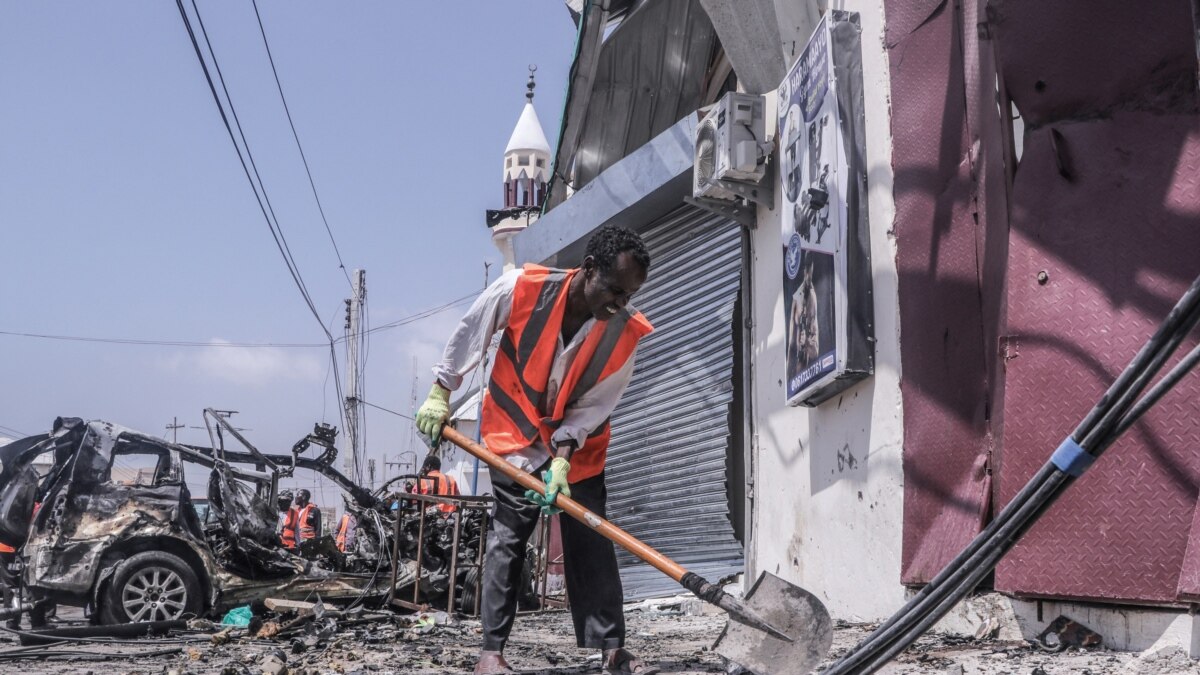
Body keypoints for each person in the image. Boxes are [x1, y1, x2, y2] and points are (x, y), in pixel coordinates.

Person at [416, 225, 658, 675]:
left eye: (629, 295)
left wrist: (563, 459)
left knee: (592, 538)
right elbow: (473, 331)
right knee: (508, 540)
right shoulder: (523, 288)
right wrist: (440, 392)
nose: (620, 304)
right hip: (514, 435)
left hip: (577, 450)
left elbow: (593, 406)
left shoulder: (624, 334)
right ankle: (491, 653)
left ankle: (611, 649)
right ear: (588, 270)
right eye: (614, 290)